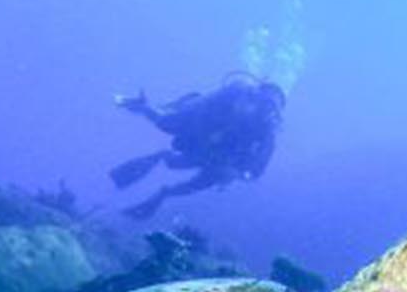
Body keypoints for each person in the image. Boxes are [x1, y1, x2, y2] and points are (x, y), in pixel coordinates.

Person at [109, 74, 285, 219]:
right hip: (197, 132)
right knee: (166, 124)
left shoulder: (267, 131)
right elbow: (200, 107)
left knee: (204, 177)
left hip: (216, 159)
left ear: (275, 111)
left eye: (269, 106)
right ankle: (140, 105)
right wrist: (197, 132)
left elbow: (256, 171)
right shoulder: (235, 93)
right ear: (255, 93)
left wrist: (236, 174)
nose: (261, 108)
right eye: (262, 100)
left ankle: (162, 194)